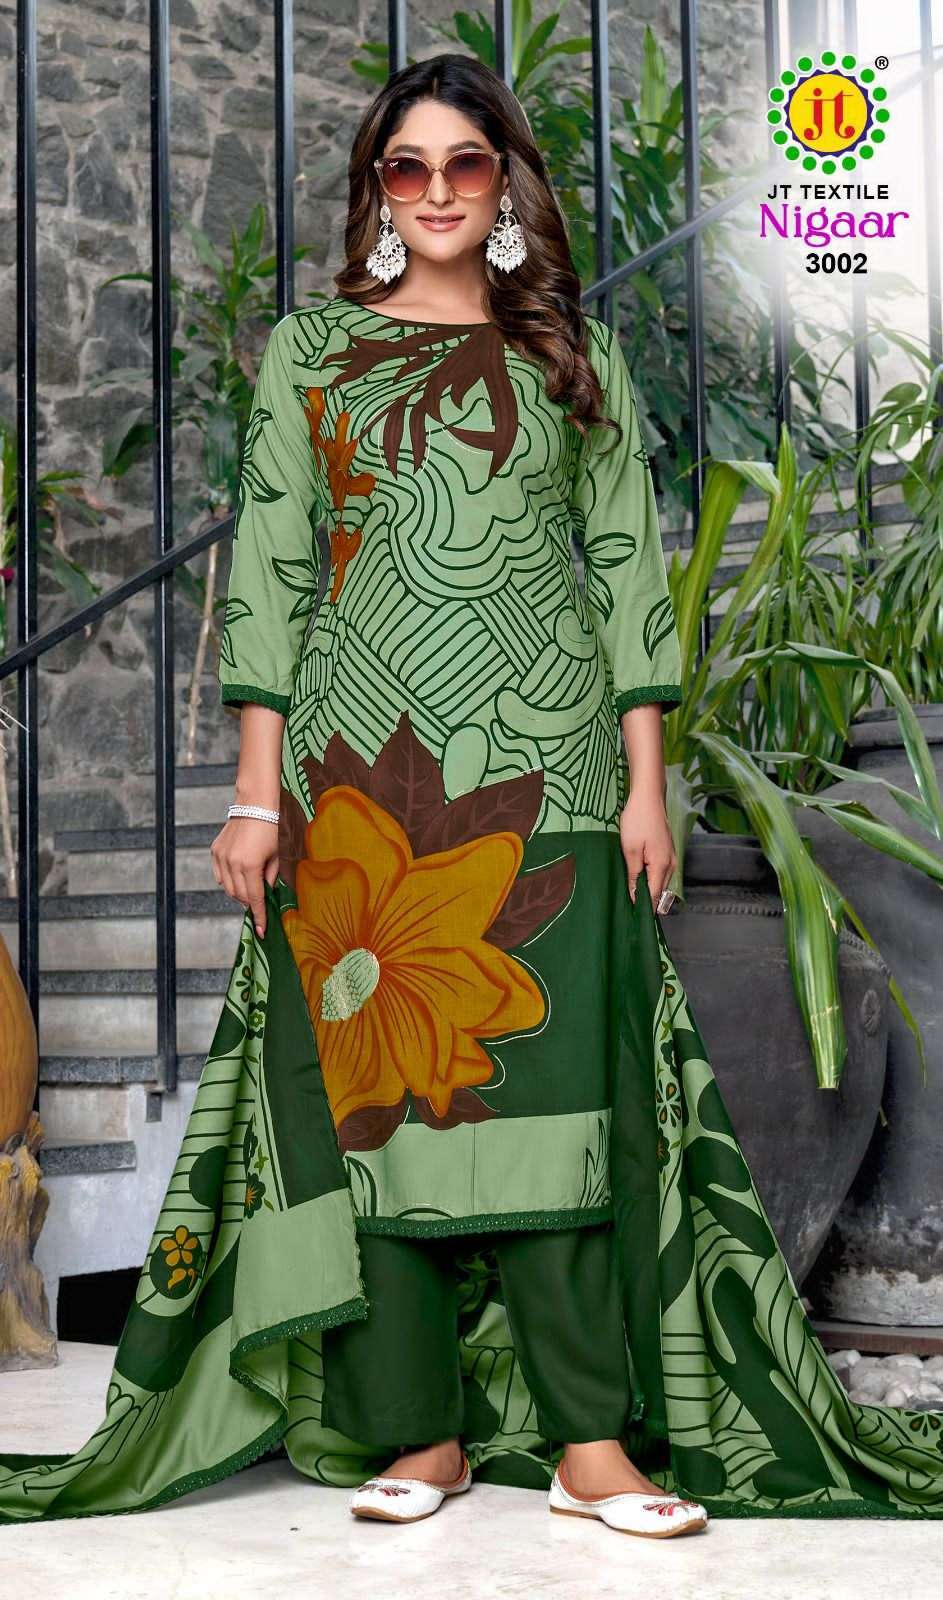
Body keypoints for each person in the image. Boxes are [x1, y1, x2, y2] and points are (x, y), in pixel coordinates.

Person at [3, 51, 943, 1533]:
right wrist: (254, 796)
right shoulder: (315, 354)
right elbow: (272, 572)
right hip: (356, 779)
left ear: (504, 183)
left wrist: (648, 784)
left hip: (550, 766)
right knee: (378, 1110)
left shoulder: (571, 355)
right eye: (407, 166)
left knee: (561, 1105)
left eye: (464, 163)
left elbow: (627, 572)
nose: (435, 190)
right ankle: (420, 1436)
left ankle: (591, 1447)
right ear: (377, 193)